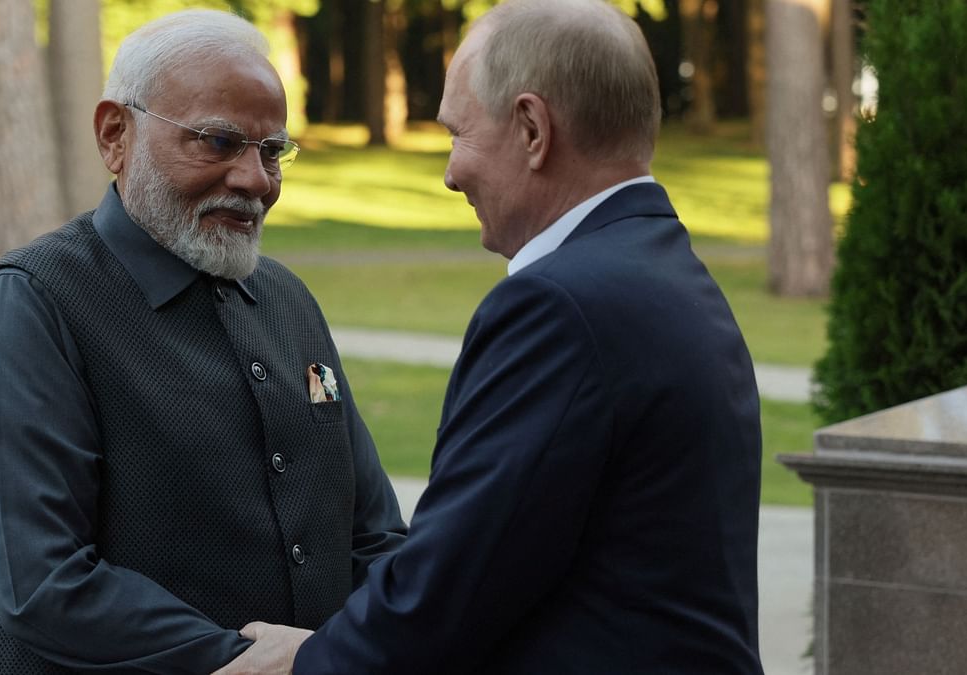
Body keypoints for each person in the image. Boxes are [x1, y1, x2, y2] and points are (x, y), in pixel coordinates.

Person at [220, 0, 764, 673]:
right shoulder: (667, 272)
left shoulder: (558, 307)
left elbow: (454, 581)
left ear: (533, 128)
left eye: (458, 134)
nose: (451, 173)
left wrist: (309, 661)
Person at [0, 10, 406, 674]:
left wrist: (372, 644)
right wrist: (266, 662)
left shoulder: (287, 301)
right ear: (114, 134)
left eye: (272, 150)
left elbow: (374, 538)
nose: (255, 180)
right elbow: (40, 582)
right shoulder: (32, 305)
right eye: (218, 142)